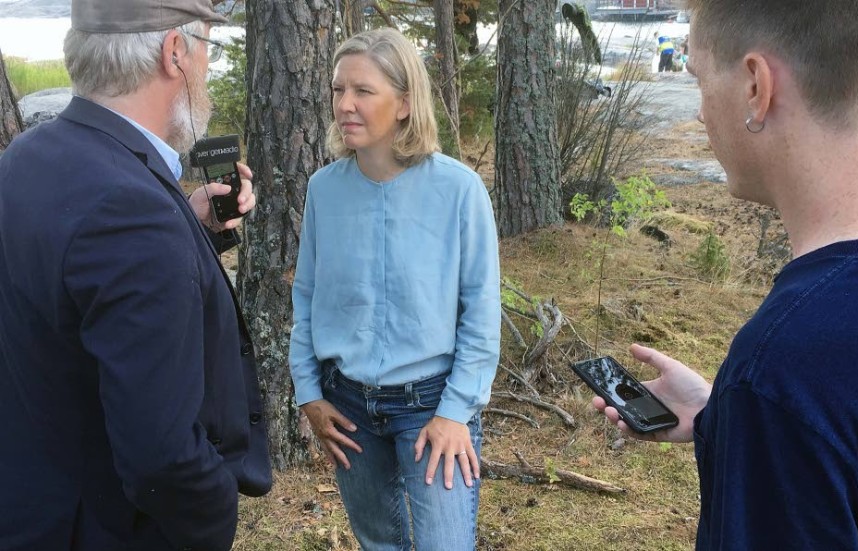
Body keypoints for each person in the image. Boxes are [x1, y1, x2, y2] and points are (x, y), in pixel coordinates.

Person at [593, 1, 858, 549]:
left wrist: (764, 411)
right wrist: (720, 418)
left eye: (700, 78)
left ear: (757, 85)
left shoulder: (787, 363)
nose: (701, 113)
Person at [0, 1, 272, 550]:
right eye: (206, 50)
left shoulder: (27, 156)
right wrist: (215, 515)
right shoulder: (132, 212)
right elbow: (162, 457)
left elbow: (66, 284)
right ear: (175, 52)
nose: (206, 70)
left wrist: (186, 220)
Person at [289, 28, 500, 551]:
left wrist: (456, 412)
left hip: (433, 403)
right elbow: (308, 298)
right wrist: (308, 393)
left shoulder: (458, 190)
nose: (345, 105)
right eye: (338, 90)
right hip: (347, 406)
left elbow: (481, 310)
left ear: (405, 103)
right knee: (379, 543)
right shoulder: (324, 189)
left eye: (363, 91)